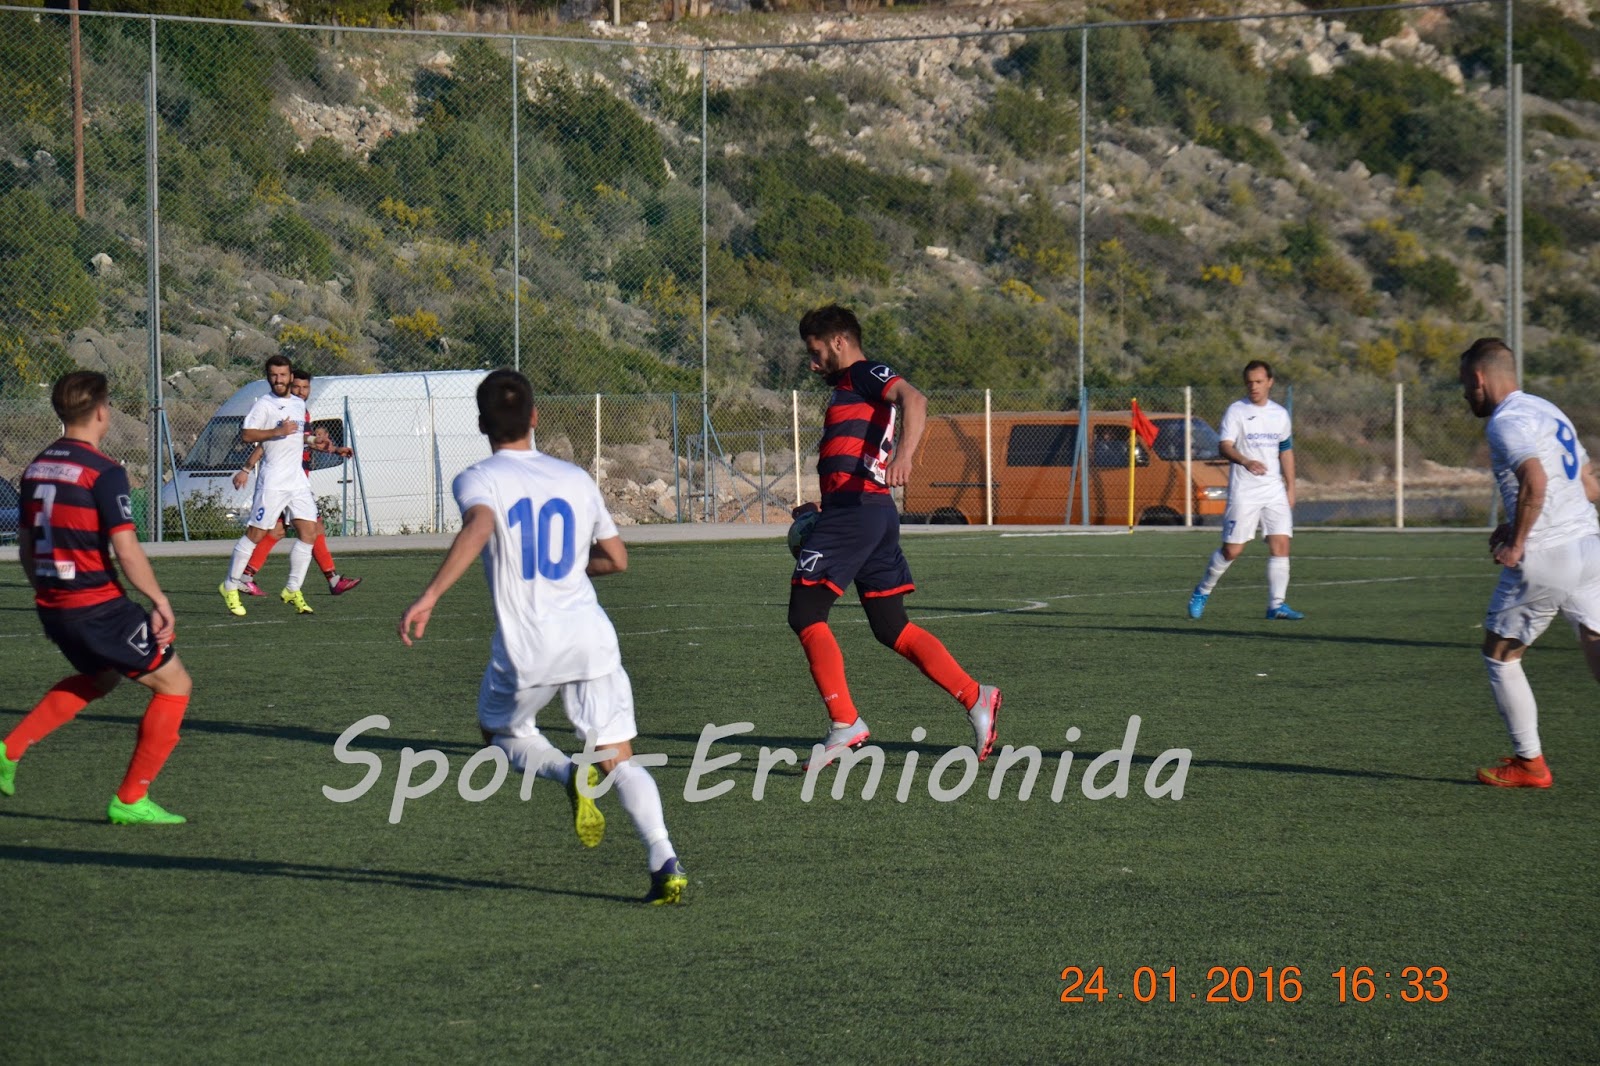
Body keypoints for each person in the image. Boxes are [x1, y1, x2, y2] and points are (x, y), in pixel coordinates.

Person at [398, 368, 687, 905]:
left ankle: (566, 773)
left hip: (528, 644)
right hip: (590, 636)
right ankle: (663, 855)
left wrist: (431, 594)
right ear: (535, 416)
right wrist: (571, 568)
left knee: (499, 733)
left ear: (481, 424)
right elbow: (616, 559)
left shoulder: (478, 478)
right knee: (618, 757)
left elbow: (480, 525)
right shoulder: (574, 478)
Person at [789, 304, 1000, 769]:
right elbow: (854, 456)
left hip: (860, 511)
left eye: (816, 352)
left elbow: (914, 399)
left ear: (839, 342)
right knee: (890, 626)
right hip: (864, 511)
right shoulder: (849, 388)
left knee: (805, 611)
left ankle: (845, 722)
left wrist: (904, 458)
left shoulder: (864, 372)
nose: (814, 363)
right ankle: (975, 696)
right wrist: (825, 507)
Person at [1, 371, 192, 824]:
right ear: (103, 412)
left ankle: (8, 751)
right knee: (175, 685)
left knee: (102, 678)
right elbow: (126, 548)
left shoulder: (36, 467)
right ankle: (131, 799)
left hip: (54, 605)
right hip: (96, 606)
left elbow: (26, 546)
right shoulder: (103, 471)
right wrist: (159, 599)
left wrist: (46, 592)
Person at [1459, 338, 1600, 788]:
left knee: (1500, 655)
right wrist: (1515, 520)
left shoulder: (1506, 422)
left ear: (1480, 378)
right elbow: (1587, 486)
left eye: (1465, 385)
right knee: (1596, 640)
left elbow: (1535, 481)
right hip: (1588, 547)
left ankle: (1529, 764)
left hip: (1547, 554)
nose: (1465, 395)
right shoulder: (1548, 410)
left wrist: (1517, 542)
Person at [231, 367, 361, 598]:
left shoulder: (301, 410)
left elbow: (305, 440)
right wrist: (246, 469)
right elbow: (266, 445)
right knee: (308, 528)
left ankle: (246, 577)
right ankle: (331, 580)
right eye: (297, 387)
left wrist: (334, 449)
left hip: (297, 481)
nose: (301, 392)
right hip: (283, 483)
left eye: (305, 387)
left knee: (278, 531)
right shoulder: (284, 410)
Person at [1187, 360, 1302, 620]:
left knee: (1281, 543)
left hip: (1273, 489)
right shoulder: (1236, 411)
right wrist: (1245, 461)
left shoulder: (1279, 414)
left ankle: (1276, 605)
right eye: (1250, 382)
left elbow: (1286, 450)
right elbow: (1224, 446)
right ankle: (1203, 590)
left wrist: (1291, 487)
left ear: (1270, 382)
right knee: (1232, 550)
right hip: (1245, 491)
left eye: (1259, 382)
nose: (1254, 387)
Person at [218, 354, 322, 617]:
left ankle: (292, 589)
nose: (278, 379)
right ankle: (230, 585)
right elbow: (246, 434)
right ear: (268, 377)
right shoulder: (264, 405)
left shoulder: (298, 404)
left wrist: (313, 441)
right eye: (274, 375)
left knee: (309, 532)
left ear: (290, 376)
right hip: (273, 481)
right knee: (256, 534)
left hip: (296, 480)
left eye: (283, 375)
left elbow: (296, 436)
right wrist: (276, 431)